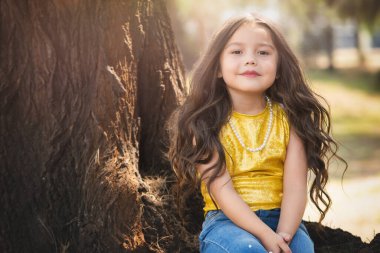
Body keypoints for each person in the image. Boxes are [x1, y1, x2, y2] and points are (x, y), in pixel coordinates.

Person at [168, 13, 345, 253]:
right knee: (248, 249)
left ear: (279, 68)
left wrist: (283, 236)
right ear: (218, 68)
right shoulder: (204, 123)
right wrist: (264, 236)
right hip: (225, 223)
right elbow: (222, 191)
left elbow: (295, 188)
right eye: (237, 52)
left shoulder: (291, 120)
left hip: (283, 220)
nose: (250, 60)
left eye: (263, 52)